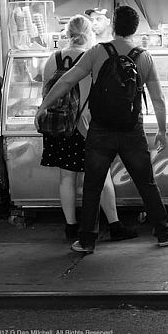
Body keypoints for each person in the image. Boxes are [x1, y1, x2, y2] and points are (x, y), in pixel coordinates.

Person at [35, 6, 168, 254]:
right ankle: (163, 232)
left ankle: (87, 240)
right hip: (132, 130)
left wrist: (44, 106)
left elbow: (67, 80)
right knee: (146, 183)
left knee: (93, 185)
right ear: (135, 29)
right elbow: (158, 98)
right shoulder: (144, 56)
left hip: (100, 130)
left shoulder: (98, 52)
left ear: (113, 26)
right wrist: (162, 130)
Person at [39, 15, 137, 242]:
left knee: (66, 177)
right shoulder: (92, 56)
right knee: (102, 176)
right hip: (86, 126)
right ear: (90, 32)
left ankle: (70, 226)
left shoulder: (52, 59)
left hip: (60, 126)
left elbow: (46, 91)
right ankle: (114, 225)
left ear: (68, 34)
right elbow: (89, 96)